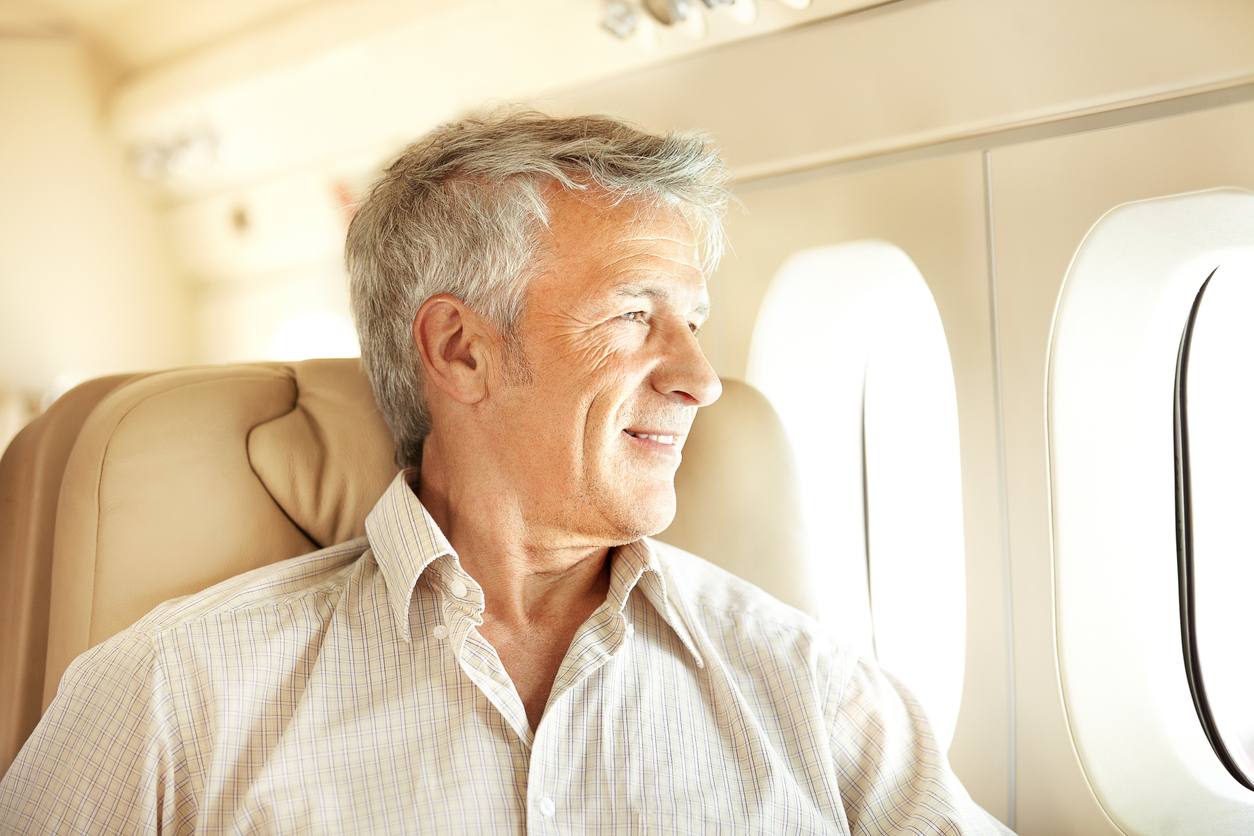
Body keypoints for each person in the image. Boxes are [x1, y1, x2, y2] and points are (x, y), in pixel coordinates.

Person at [0, 109, 1013, 834]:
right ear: (461, 349)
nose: (702, 378)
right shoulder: (172, 695)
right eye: (634, 314)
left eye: (693, 323)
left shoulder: (817, 692)